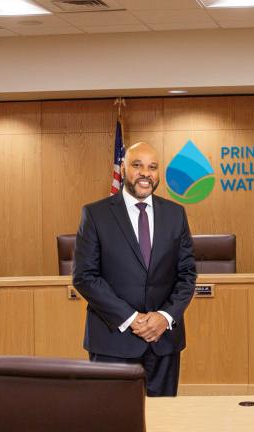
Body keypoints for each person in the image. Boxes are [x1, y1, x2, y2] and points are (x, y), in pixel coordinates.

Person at [72, 141, 197, 397]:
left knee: (163, 419)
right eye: (137, 165)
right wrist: (132, 319)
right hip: (112, 342)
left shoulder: (176, 214)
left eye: (152, 167)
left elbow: (187, 275)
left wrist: (165, 316)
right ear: (123, 167)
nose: (145, 173)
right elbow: (84, 276)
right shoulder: (95, 214)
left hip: (163, 340)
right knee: (110, 419)